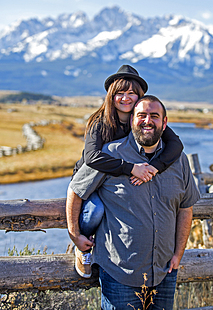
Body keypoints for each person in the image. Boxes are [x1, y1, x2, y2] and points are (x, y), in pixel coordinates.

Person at [66, 95, 200, 310]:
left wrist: (178, 253)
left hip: (164, 271)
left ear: (164, 123)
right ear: (131, 120)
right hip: (119, 272)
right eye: (142, 115)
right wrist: (74, 234)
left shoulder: (179, 160)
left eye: (154, 116)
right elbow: (76, 190)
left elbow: (185, 207)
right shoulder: (110, 154)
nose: (148, 121)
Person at [70, 65, 183, 278]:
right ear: (111, 95)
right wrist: (131, 168)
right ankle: (83, 247)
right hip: (91, 178)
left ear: (140, 95)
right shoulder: (100, 121)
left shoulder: (143, 118)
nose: (125, 97)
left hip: (114, 180)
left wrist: (154, 168)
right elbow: (92, 158)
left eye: (131, 92)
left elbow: (176, 145)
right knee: (95, 211)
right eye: (120, 92)